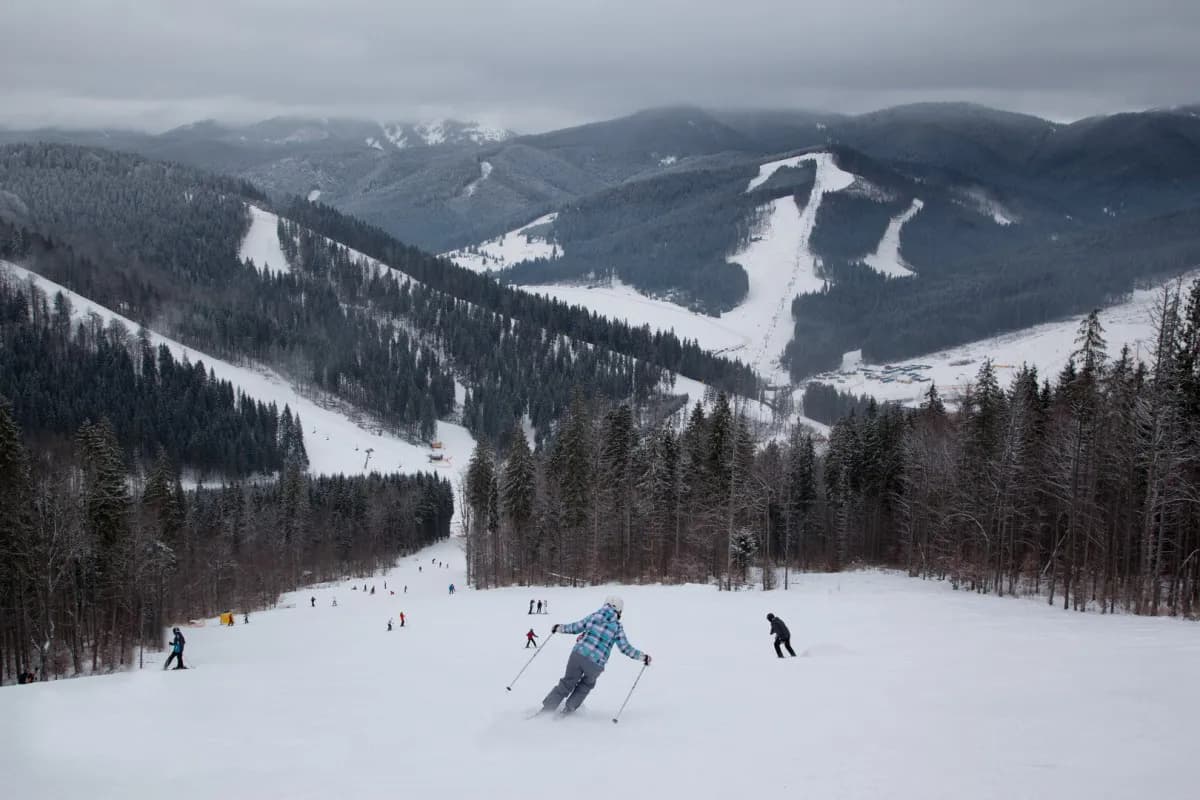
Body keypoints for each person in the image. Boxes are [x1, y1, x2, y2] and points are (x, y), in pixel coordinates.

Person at [541, 596, 650, 715]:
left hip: (578, 655)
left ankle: (545, 712)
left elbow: (575, 627)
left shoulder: (594, 616)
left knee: (567, 682)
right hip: (595, 664)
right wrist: (642, 657)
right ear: (619, 611)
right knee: (585, 686)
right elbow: (625, 648)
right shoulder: (617, 627)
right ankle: (567, 712)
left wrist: (559, 628)